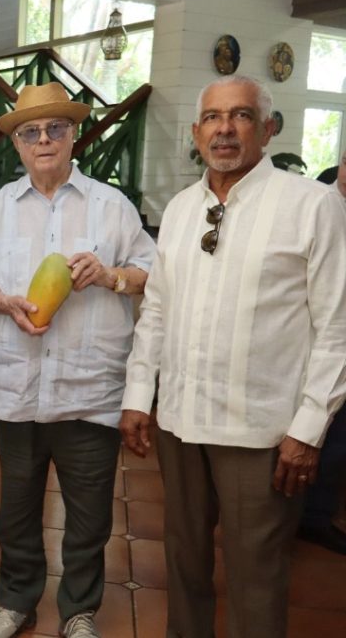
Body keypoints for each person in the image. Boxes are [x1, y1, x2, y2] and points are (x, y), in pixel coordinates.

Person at [120, 74, 346, 638]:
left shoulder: (312, 205)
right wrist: (138, 397)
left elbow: (336, 328)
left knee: (256, 576)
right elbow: (157, 310)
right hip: (179, 421)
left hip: (261, 431)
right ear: (196, 132)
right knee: (183, 560)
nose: (225, 129)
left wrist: (308, 429)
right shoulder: (179, 209)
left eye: (241, 115)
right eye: (213, 117)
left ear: (267, 129)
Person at [0, 83, 155, 638]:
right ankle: (16, 602)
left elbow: (152, 274)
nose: (44, 139)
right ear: (17, 143)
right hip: (19, 386)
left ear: (73, 135)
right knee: (16, 512)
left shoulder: (112, 206)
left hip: (89, 390)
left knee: (90, 518)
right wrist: (2, 302)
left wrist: (109, 275)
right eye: (31, 131)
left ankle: (78, 611)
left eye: (56, 128)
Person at [298, 150, 346, 555]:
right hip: (315, 343)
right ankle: (303, 516)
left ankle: (317, 514)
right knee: (317, 433)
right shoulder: (312, 203)